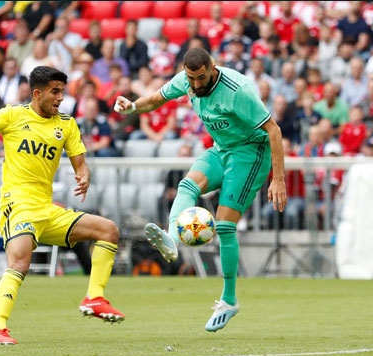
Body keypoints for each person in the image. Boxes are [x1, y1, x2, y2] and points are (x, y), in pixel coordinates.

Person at [115, 48, 286, 332]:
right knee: (187, 184)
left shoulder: (237, 89)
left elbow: (274, 130)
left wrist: (277, 178)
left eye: (201, 78)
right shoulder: (185, 80)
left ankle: (229, 300)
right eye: (191, 78)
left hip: (250, 153)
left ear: (213, 67)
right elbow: (157, 99)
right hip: (221, 150)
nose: (195, 85)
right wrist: (132, 107)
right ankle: (172, 237)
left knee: (225, 226)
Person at [0, 66, 124, 345]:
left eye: (62, 91)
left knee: (108, 230)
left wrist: (83, 177)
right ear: (37, 94)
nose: (61, 97)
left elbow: (81, 164)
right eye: (55, 91)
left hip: (48, 209)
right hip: (19, 205)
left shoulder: (66, 124)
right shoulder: (12, 115)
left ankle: (95, 298)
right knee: (20, 262)